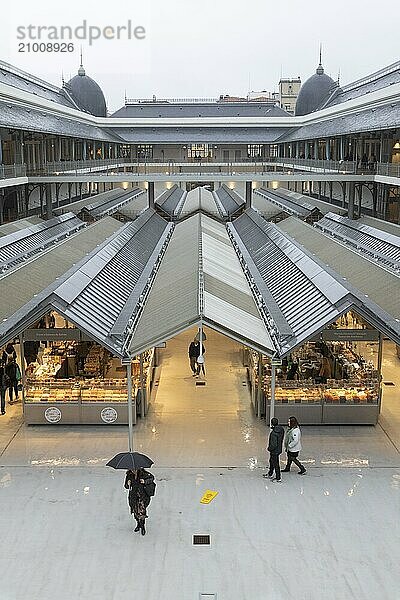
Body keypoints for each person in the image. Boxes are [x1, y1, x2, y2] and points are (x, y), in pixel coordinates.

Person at [124, 469, 156, 535]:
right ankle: (138, 524)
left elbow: (152, 478)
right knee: (135, 512)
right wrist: (128, 483)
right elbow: (126, 486)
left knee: (142, 512)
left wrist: (144, 481)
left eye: (135, 469)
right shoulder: (129, 475)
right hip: (133, 497)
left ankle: (143, 526)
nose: (133, 470)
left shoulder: (144, 474)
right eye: (132, 469)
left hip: (142, 497)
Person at [263, 417, 285, 482]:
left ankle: (278, 477)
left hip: (274, 451)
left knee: (275, 464)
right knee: (272, 462)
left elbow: (273, 444)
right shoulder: (281, 430)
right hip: (279, 449)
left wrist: (269, 448)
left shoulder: (273, 433)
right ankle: (270, 473)